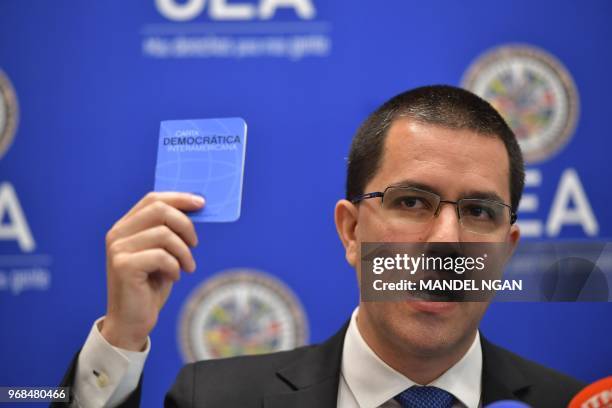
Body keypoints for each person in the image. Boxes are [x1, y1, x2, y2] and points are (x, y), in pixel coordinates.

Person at [55, 85, 585, 408]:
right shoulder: (215, 399)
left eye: (478, 212)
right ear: (351, 231)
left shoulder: (572, 404)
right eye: (412, 202)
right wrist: (121, 340)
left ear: (507, 249)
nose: (446, 240)